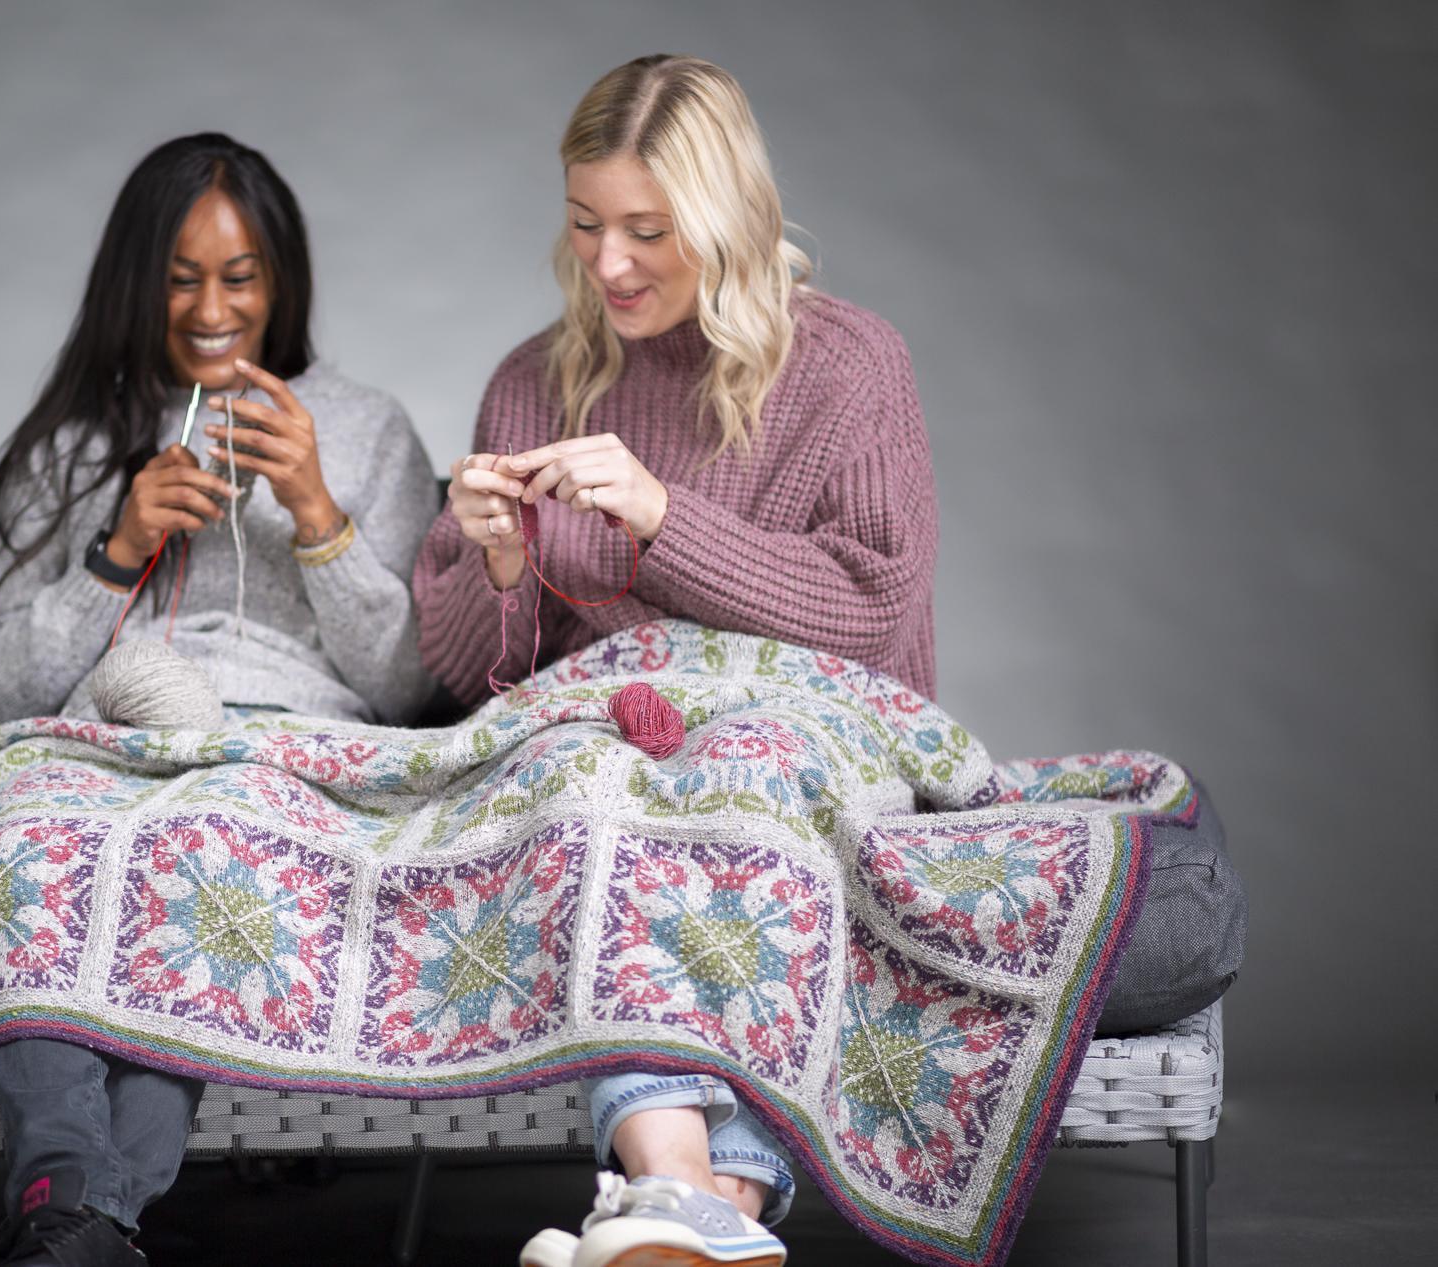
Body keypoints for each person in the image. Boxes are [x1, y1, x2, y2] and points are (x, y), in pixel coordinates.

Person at [411, 55, 937, 1267]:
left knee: (724, 776)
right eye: (584, 223)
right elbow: (473, 680)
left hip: (823, 733)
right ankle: (697, 1207)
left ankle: (667, 1194)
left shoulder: (850, 364)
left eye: (647, 231)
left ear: (728, 216)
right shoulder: (531, 381)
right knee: (592, 781)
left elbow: (867, 610)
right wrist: (496, 561)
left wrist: (660, 516)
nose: (608, 264)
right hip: (624, 742)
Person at [0, 132, 439, 1267]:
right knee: (27, 840)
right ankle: (82, 1212)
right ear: (137, 280)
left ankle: (68, 1209)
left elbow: (409, 684)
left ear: (281, 281)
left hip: (277, 745)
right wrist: (117, 550)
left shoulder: (367, 428)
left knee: (194, 845)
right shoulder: (69, 444)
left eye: (239, 276)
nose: (213, 308)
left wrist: (317, 513)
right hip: (102, 741)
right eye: (182, 278)